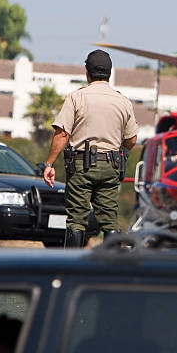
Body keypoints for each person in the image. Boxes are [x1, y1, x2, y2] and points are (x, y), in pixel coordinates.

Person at [43, 49, 139, 247]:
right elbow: (132, 138)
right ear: (110, 74)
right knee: (109, 219)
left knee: (77, 219)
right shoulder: (123, 101)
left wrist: (49, 163)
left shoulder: (77, 98)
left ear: (87, 72)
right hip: (111, 165)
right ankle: (111, 266)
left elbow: (62, 134)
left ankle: (72, 266)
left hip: (81, 166)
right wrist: (122, 154)